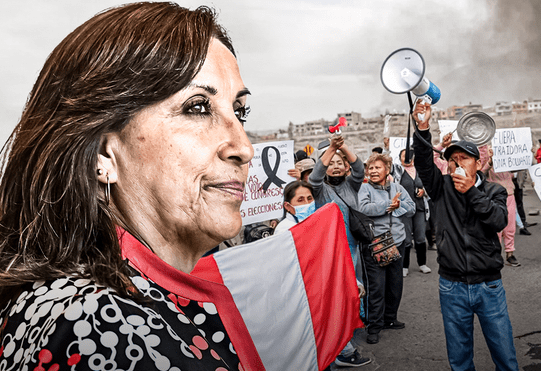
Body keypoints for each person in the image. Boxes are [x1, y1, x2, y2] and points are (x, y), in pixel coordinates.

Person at [0, 3, 259, 370]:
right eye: (198, 107)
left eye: (240, 111)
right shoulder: (97, 327)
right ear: (104, 154)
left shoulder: (86, 302)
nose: (244, 148)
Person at [412, 102, 518, 371]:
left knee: (505, 355)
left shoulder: (494, 191)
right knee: (459, 359)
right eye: (452, 160)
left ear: (478, 163)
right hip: (452, 285)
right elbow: (424, 164)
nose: (456, 164)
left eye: (463, 159)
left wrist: (471, 191)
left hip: (489, 286)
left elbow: (497, 220)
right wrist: (422, 127)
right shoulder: (441, 187)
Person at [275, 181, 370, 367]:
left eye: (310, 198)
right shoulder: (283, 231)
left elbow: (336, 257)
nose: (307, 203)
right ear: (288, 205)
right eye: (300, 200)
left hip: (323, 290)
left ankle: (344, 353)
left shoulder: (319, 223)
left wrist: (354, 281)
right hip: (302, 297)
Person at [308, 135, 370, 366]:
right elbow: (314, 177)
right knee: (339, 293)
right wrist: (331, 150)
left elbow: (358, 168)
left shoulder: (351, 185)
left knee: (355, 291)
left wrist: (342, 147)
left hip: (352, 246)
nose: (334, 166)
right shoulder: (319, 189)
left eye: (339, 163)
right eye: (330, 163)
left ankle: (350, 329)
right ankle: (342, 344)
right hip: (330, 249)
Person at [358, 153, 415, 344]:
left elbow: (412, 207)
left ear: (387, 169)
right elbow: (363, 208)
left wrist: (398, 206)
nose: (373, 171)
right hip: (376, 244)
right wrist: (387, 205)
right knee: (377, 287)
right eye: (370, 168)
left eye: (377, 167)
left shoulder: (398, 188)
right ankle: (374, 326)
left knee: (395, 285)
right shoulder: (364, 188)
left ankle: (390, 319)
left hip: (397, 243)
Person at [480, 146, 521, 267]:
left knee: (510, 226)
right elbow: (480, 173)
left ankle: (510, 253)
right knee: (496, 226)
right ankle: (495, 253)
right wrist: (490, 161)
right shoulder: (483, 150)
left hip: (509, 193)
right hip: (494, 194)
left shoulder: (506, 148)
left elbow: (514, 173)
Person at [393, 149, 431, 276]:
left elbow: (429, 186)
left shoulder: (420, 170)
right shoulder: (398, 171)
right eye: (404, 156)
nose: (407, 159)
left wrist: (423, 192)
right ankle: (404, 266)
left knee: (420, 237)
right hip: (404, 210)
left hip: (420, 208)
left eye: (409, 156)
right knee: (407, 239)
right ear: (399, 158)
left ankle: (422, 264)